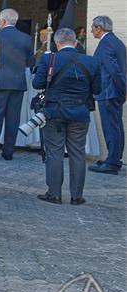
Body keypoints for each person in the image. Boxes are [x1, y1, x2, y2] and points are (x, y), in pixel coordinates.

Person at [33, 28, 101, 205]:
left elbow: (37, 83)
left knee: (54, 152)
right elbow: (98, 90)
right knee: (78, 153)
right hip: (80, 113)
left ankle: (54, 194)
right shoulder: (91, 61)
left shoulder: (49, 59)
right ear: (76, 42)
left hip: (54, 112)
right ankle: (77, 196)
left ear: (57, 43)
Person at [0, 8, 35, 161]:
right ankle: (8, 152)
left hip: (0, 82)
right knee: (13, 119)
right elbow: (30, 62)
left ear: (2, 21)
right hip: (18, 83)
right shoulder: (26, 38)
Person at [89, 15, 126, 175]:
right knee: (116, 126)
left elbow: (114, 70)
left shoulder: (106, 43)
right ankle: (114, 159)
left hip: (109, 92)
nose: (91, 30)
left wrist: (123, 89)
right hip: (114, 91)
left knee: (111, 127)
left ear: (99, 28)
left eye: (93, 27)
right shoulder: (116, 42)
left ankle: (112, 162)